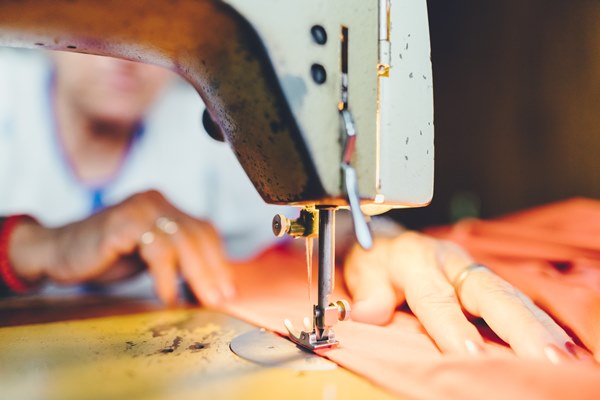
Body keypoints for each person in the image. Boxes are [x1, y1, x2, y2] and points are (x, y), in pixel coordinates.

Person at [0, 49, 585, 363]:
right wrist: (29, 246)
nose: (125, 54)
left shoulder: (208, 128)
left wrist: (386, 243)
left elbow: (324, 218)